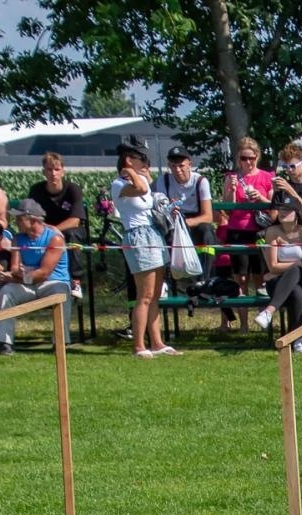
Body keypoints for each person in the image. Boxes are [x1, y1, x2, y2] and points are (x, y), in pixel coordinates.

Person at [111, 140, 171, 357]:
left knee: (155, 294)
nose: (146, 164)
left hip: (153, 234)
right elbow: (140, 188)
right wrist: (132, 172)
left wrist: (143, 174)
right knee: (144, 295)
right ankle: (139, 345)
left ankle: (157, 342)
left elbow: (149, 195)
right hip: (137, 236)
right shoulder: (119, 184)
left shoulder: (143, 179)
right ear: (128, 160)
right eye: (141, 160)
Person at [0, 199, 73, 353]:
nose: (15, 221)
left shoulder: (55, 239)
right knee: (6, 292)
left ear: (32, 219)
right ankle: (5, 342)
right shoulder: (18, 238)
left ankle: (60, 342)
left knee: (61, 293)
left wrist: (23, 276)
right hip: (26, 283)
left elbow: (44, 273)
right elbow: (15, 267)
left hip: (52, 283)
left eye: (19, 218)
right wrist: (18, 274)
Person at [250, 196, 302, 351]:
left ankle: (269, 311)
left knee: (296, 271)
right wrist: (297, 264)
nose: (283, 213)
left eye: (288, 210)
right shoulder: (272, 232)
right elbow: (273, 266)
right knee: (296, 292)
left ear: (296, 213)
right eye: (281, 209)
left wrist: (293, 266)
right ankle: (297, 338)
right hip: (278, 282)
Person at [219, 137, 272, 331]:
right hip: (237, 231)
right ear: (238, 158)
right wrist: (232, 190)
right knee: (240, 279)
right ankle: (243, 324)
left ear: (257, 157)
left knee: (261, 278)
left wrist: (260, 198)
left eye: (251, 157)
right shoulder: (231, 177)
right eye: (243, 158)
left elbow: (273, 206)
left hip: (260, 231)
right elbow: (227, 209)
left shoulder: (267, 177)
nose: (248, 162)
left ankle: (264, 323)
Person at [26, 151, 88, 300]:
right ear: (43, 172)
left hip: (70, 230)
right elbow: (31, 217)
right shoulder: (36, 191)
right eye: (49, 169)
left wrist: (55, 230)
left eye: (57, 169)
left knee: (71, 235)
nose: (53, 173)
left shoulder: (73, 189)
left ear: (62, 171)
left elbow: (75, 219)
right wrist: (46, 229)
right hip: (44, 230)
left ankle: (75, 280)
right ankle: (31, 276)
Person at [158, 146, 215, 279]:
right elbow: (161, 210)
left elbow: (208, 216)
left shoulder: (200, 181)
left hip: (195, 222)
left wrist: (186, 223)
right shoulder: (163, 181)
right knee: (164, 237)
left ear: (190, 164)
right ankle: (168, 280)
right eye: (173, 166)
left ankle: (204, 280)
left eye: (181, 166)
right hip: (173, 221)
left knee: (206, 233)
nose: (177, 170)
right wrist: (169, 209)